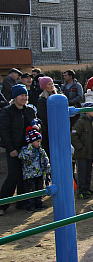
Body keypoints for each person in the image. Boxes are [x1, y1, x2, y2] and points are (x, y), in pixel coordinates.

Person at [0, 84, 38, 215]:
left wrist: (36, 126)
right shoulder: (7, 111)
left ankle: (22, 202)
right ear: (15, 97)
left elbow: (35, 121)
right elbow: (4, 132)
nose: (24, 98)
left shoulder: (29, 110)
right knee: (13, 176)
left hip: (27, 149)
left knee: (25, 176)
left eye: (26, 95)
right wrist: (11, 149)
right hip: (14, 148)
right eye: (21, 95)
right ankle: (2, 204)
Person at [18, 126, 50, 212]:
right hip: (29, 176)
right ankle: (30, 206)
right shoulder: (25, 150)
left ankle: (39, 204)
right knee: (30, 191)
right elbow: (22, 157)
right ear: (31, 141)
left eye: (39, 141)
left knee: (39, 189)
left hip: (39, 174)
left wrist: (47, 170)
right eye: (37, 141)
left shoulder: (40, 150)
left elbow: (45, 160)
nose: (39, 143)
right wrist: (30, 149)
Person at [71, 102, 93, 199]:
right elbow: (73, 136)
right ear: (86, 111)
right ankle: (81, 191)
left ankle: (87, 188)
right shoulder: (81, 122)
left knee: (88, 172)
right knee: (82, 173)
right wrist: (80, 148)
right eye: (92, 109)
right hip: (81, 153)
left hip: (90, 152)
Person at [36, 76, 57, 155]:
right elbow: (42, 115)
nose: (51, 86)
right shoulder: (42, 100)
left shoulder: (58, 97)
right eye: (49, 84)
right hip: (48, 129)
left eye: (52, 83)